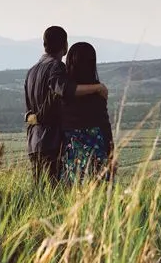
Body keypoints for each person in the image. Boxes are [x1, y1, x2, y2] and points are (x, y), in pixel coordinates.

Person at [24, 26, 108, 188]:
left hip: (33, 143)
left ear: (44, 44)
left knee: (41, 194)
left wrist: (31, 118)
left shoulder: (31, 71)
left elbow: (29, 109)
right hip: (52, 141)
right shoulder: (57, 67)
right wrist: (97, 88)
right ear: (65, 46)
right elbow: (63, 90)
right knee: (56, 195)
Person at [59, 42, 116, 186]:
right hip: (97, 149)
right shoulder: (98, 91)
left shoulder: (64, 91)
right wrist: (111, 153)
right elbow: (104, 123)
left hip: (71, 152)